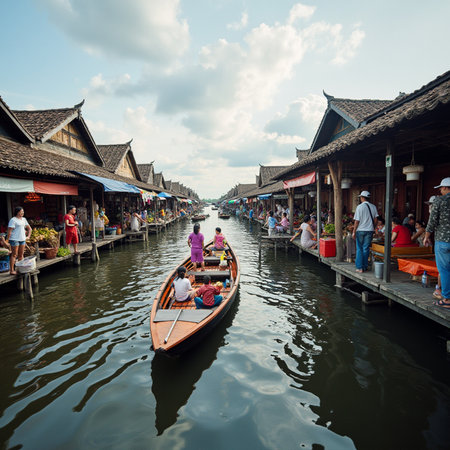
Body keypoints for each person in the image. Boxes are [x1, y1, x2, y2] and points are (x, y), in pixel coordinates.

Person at [423, 177, 450, 308]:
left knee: (444, 270)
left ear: (445, 188)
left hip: (443, 240)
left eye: (441, 188)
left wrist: (426, 236)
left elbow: (432, 221)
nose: (440, 190)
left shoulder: (439, 201)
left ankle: (447, 299)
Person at [352, 190, 378, 273]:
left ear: (362, 198)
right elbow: (375, 220)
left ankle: (359, 268)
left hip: (360, 230)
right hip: (369, 230)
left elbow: (357, 221)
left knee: (359, 248)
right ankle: (365, 266)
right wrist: (373, 227)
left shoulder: (359, 207)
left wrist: (354, 231)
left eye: (360, 197)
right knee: (366, 248)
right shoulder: (373, 207)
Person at [6, 206, 32, 275]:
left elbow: (29, 228)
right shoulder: (13, 220)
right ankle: (11, 270)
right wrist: (7, 240)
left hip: (22, 239)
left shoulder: (24, 219)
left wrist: (28, 236)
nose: (22, 213)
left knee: (21, 255)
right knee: (14, 255)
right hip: (14, 239)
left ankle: (21, 269)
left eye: (23, 211)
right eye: (21, 212)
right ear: (17, 212)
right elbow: (9, 231)